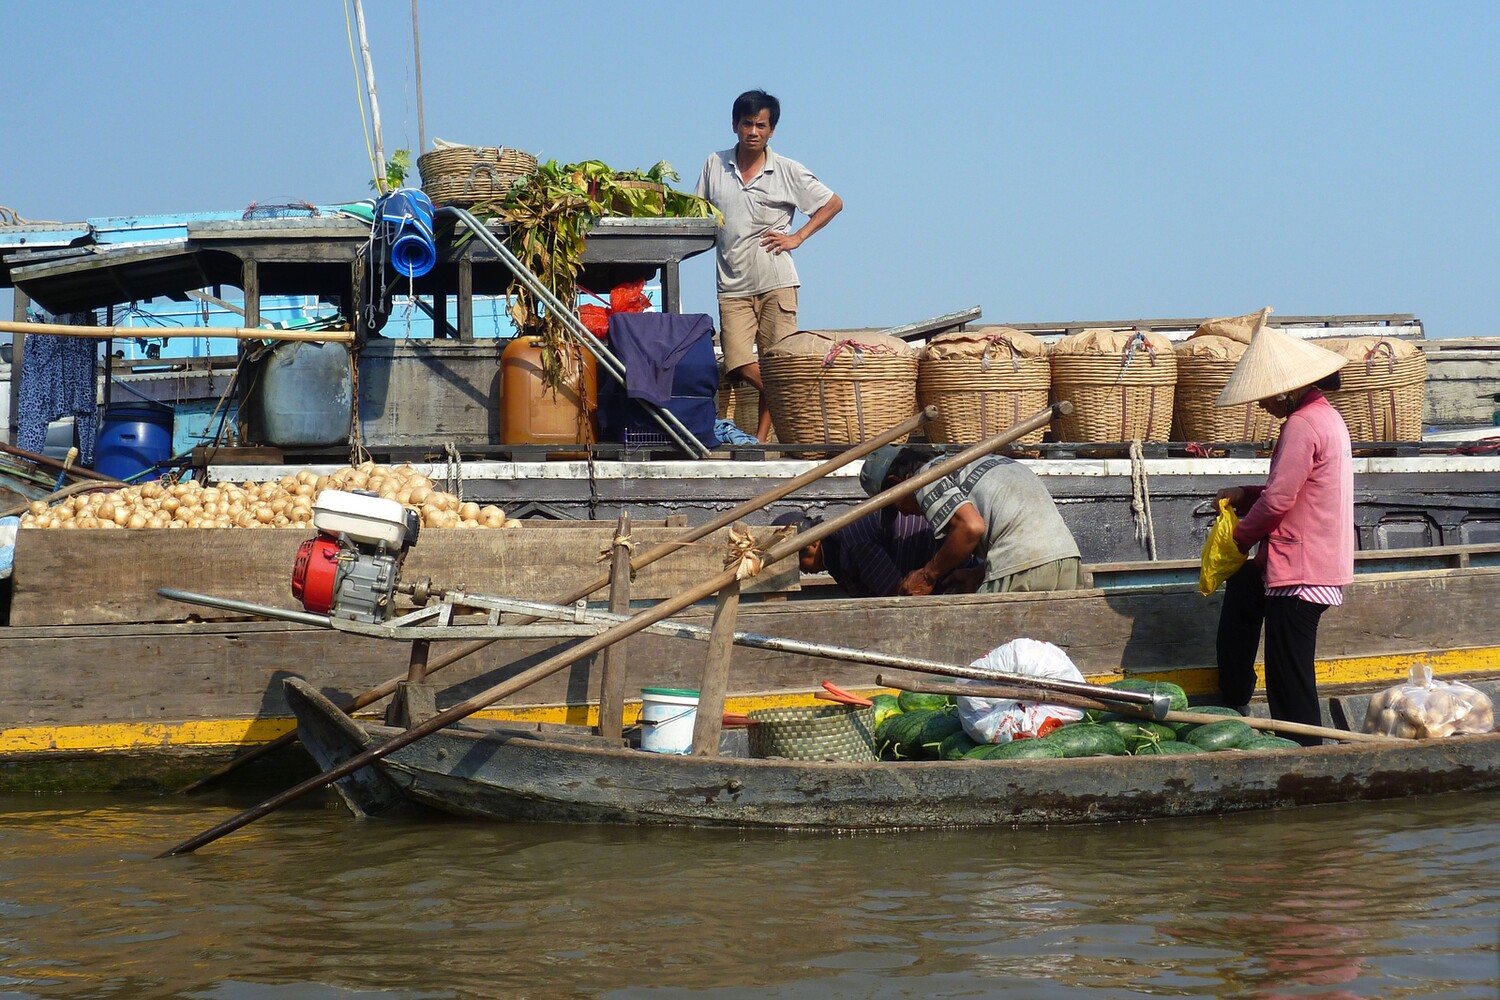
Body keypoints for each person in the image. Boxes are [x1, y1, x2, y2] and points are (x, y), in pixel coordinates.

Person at [1212, 324, 1353, 744]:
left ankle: (1305, 755)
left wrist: (1236, 541)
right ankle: (1234, 694)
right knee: (1243, 590)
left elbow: (1277, 502)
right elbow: (1294, 488)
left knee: (1289, 678)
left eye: (1265, 396)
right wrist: (1244, 494)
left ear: (1286, 392)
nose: (1262, 404)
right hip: (1310, 562)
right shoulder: (1325, 417)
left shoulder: (1302, 425)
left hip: (1302, 572)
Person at [695, 89, 843, 442]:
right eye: (747, 123)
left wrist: (798, 237)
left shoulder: (787, 170)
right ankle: (792, 395)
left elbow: (832, 203)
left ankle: (761, 442)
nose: (753, 132)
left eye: (761, 125)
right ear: (734, 125)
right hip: (732, 284)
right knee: (738, 361)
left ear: (771, 130)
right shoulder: (715, 164)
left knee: (776, 360)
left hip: (776, 281)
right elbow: (697, 213)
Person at [858, 445, 1083, 596]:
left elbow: (971, 527)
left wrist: (927, 575)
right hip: (1067, 560)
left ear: (897, 481)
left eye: (895, 507)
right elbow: (1016, 528)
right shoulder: (978, 461)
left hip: (1020, 569)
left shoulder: (926, 477)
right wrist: (977, 574)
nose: (905, 515)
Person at [771, 509, 980, 598]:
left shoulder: (850, 544)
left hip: (957, 561)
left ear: (814, 542)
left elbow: (899, 596)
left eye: (800, 563)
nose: (804, 572)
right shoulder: (835, 552)